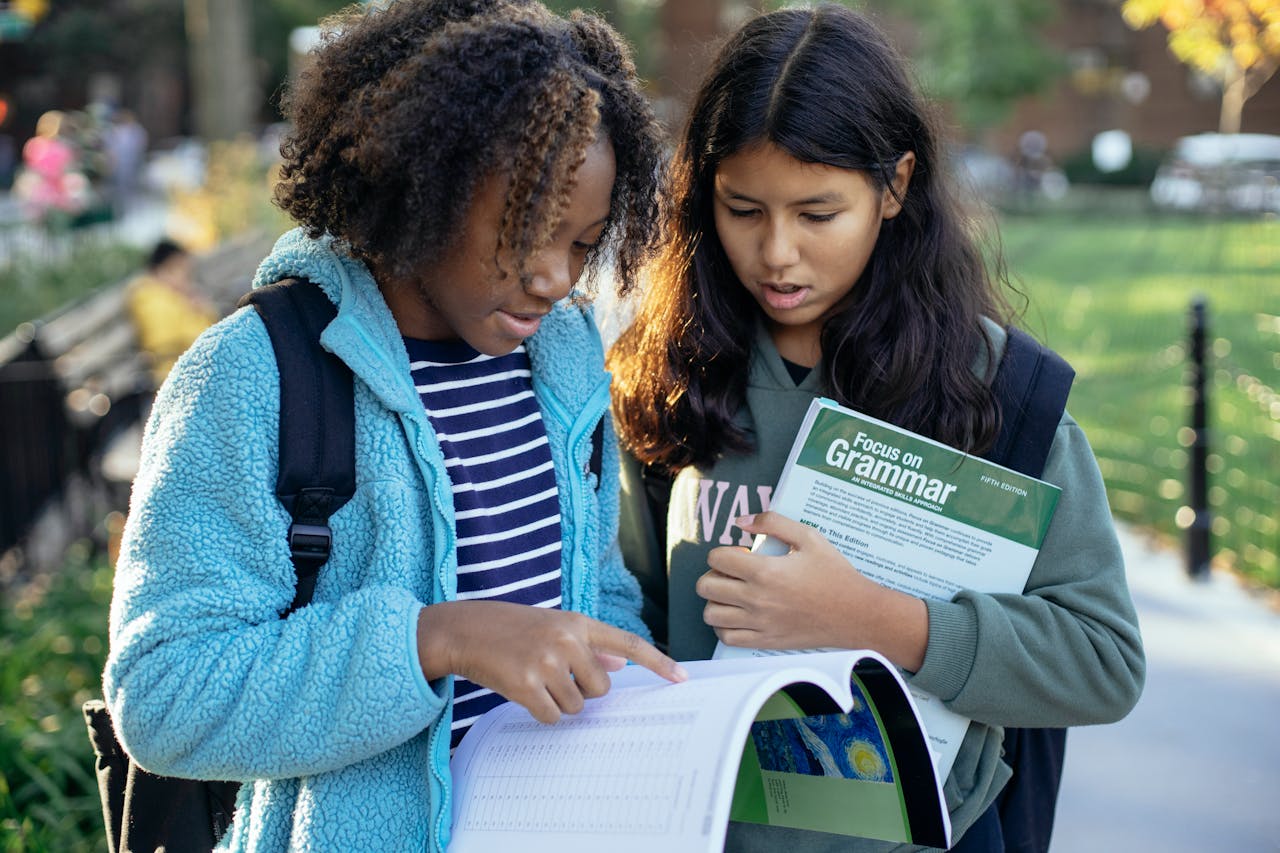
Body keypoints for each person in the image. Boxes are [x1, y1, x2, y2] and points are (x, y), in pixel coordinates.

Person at [102, 2, 684, 850]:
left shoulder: (558, 359)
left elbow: (599, 596)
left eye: (585, 242)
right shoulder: (256, 374)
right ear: (424, 186)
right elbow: (163, 693)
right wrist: (433, 639)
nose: (557, 278)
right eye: (524, 233)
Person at [608, 5, 1144, 851]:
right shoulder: (665, 372)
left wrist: (879, 619)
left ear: (894, 187)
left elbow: (1104, 660)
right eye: (742, 209)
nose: (777, 252)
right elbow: (618, 604)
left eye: (818, 214)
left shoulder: (995, 393)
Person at [126, 238, 218, 385]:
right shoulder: (152, 300)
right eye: (181, 271)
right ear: (162, 271)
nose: (187, 280)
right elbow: (161, 343)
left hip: (194, 371)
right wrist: (195, 312)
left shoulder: (174, 299)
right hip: (174, 377)